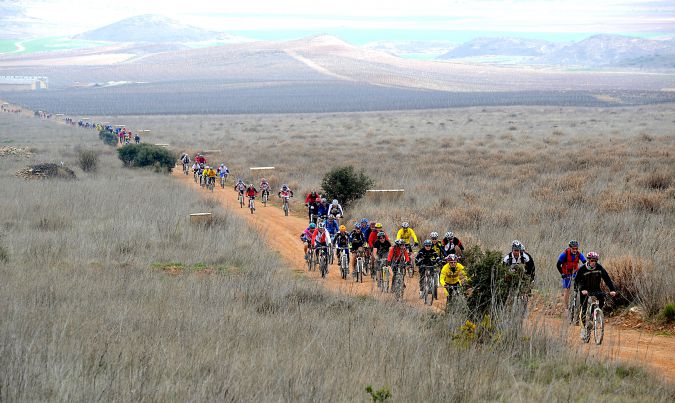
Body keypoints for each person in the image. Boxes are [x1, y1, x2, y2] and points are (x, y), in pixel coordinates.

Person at [574, 252, 617, 324]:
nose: (594, 262)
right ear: (588, 260)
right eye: (592, 260)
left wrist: (612, 290)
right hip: (585, 290)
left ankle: (593, 315)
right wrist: (581, 289)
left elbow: (607, 279)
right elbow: (577, 281)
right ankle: (585, 328)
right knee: (584, 307)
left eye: (595, 261)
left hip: (596, 289)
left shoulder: (599, 268)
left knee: (601, 301)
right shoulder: (582, 269)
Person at [557, 240, 587, 312]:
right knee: (567, 289)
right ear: (570, 248)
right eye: (573, 248)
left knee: (581, 286)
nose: (575, 250)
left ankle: (580, 303)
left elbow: (585, 262)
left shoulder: (579, 254)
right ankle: (565, 307)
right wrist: (562, 274)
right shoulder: (564, 254)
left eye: (576, 248)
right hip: (566, 272)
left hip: (575, 272)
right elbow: (558, 265)